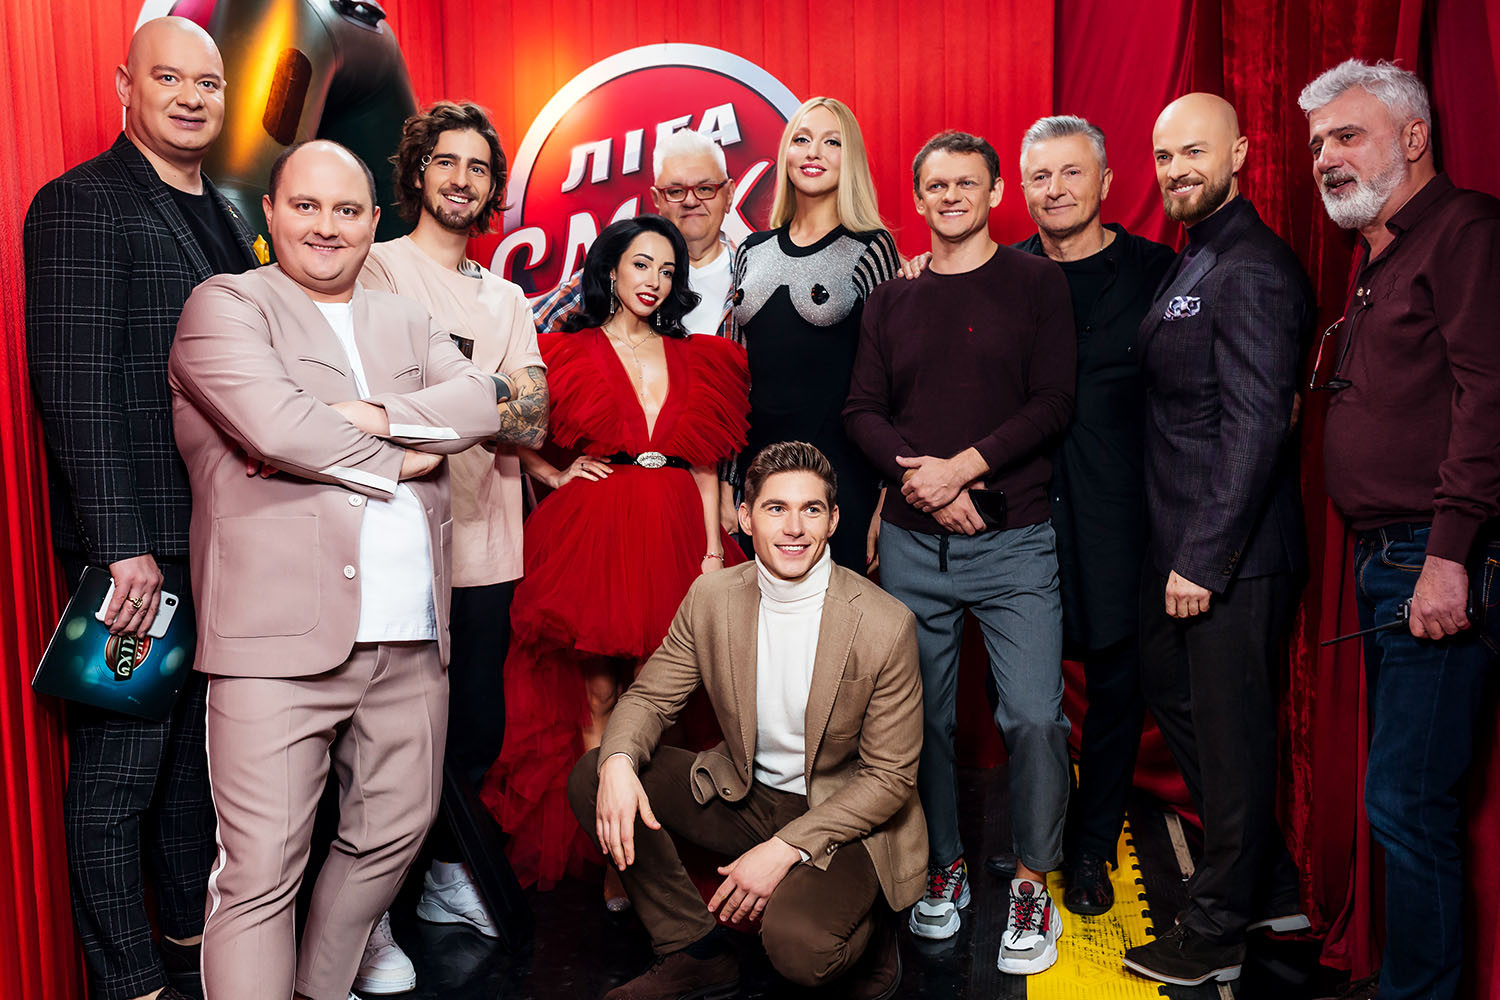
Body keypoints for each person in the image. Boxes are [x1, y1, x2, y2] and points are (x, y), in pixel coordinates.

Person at [168, 139, 503, 1000]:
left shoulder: (406, 317)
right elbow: (277, 427)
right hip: (274, 642)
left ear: (373, 221)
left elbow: (479, 402)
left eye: (347, 210)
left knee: (393, 834)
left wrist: (364, 416)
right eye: (306, 206)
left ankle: (321, 988)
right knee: (260, 871)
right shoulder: (226, 305)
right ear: (269, 213)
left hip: (411, 637)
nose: (327, 226)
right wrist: (410, 451)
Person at [22, 17, 259, 1000]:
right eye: (169, 78)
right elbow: (72, 386)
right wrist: (120, 547)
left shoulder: (233, 212)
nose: (192, 97)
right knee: (121, 775)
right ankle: (130, 983)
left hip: (224, 540)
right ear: (126, 84)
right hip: (141, 553)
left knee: (196, 773)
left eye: (208, 82)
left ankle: (192, 959)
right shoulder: (82, 202)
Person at [568, 441, 925, 1000]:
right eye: (776, 508)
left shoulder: (885, 623)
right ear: (746, 516)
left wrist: (785, 848)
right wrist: (616, 762)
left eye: (810, 510)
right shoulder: (712, 597)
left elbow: (889, 778)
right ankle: (695, 951)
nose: (794, 528)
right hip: (745, 794)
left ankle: (871, 927)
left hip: (842, 813)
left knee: (800, 950)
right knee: (595, 772)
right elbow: (650, 698)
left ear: (833, 520)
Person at [845, 130, 1075, 974]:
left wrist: (962, 469)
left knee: (1035, 718)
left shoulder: (1036, 283)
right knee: (922, 721)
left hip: (1016, 542)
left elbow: (1053, 402)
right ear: (917, 198)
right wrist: (924, 484)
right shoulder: (891, 300)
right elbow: (862, 409)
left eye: (966, 183)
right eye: (936, 185)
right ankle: (944, 864)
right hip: (915, 548)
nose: (950, 197)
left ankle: (1034, 884)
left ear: (995, 191)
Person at [1300, 59, 1500, 1000]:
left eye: (1347, 135)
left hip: (1436, 554)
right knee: (1402, 801)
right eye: (1318, 145)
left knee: (1407, 803)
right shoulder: (1379, 250)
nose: (1326, 158)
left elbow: (1489, 396)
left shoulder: (1466, 231)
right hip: (1389, 558)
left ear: (1414, 137)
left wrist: (1449, 556)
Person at [483, 215, 750, 898]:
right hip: (596, 534)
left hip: (675, 532)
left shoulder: (701, 356)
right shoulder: (565, 351)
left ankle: (658, 846)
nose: (654, 280)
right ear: (610, 269)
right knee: (600, 694)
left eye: (668, 270)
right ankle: (616, 854)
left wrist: (712, 552)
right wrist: (551, 474)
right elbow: (501, 423)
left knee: (663, 699)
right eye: (641, 264)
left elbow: (705, 466)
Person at [351, 100, 548, 995]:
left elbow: (533, 416)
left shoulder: (505, 296)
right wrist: (483, 394)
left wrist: (437, 404)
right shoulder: (376, 267)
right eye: (447, 161)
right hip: (398, 541)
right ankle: (368, 918)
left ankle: (440, 877)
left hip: (488, 546)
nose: (462, 179)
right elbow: (366, 398)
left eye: (479, 167)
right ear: (417, 172)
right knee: (385, 740)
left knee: (473, 732)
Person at [1121, 94, 1313, 988]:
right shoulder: (1198, 255)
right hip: (1181, 543)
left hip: (1230, 553)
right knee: (1175, 696)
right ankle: (1269, 885)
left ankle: (1216, 929)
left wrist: (1202, 558)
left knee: (1233, 741)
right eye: (1164, 157)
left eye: (1193, 152)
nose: (1176, 171)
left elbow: (1257, 425)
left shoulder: (1253, 267)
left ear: (1239, 152)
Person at [1013, 116, 1175, 916]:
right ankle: (1033, 836)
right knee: (1025, 698)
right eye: (1041, 176)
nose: (1056, 190)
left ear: (1107, 182)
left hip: (1124, 517)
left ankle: (1089, 849)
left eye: (1072, 173)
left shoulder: (1159, 272)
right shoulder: (999, 274)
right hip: (1022, 519)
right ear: (1022, 188)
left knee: (1116, 692)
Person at [534, 127, 742, 535]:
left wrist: (726, 494)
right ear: (657, 198)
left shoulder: (754, 272)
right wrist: (550, 472)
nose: (691, 201)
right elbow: (519, 344)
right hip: (609, 507)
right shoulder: (605, 280)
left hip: (715, 501)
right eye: (676, 191)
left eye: (705, 188)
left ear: (729, 193)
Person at [734, 97, 899, 572]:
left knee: (836, 610)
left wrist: (887, 495)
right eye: (802, 140)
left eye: (832, 142)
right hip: (757, 475)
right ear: (785, 153)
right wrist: (729, 483)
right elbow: (735, 380)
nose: (813, 152)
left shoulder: (872, 247)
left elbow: (893, 380)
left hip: (843, 475)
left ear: (851, 158)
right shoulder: (751, 250)